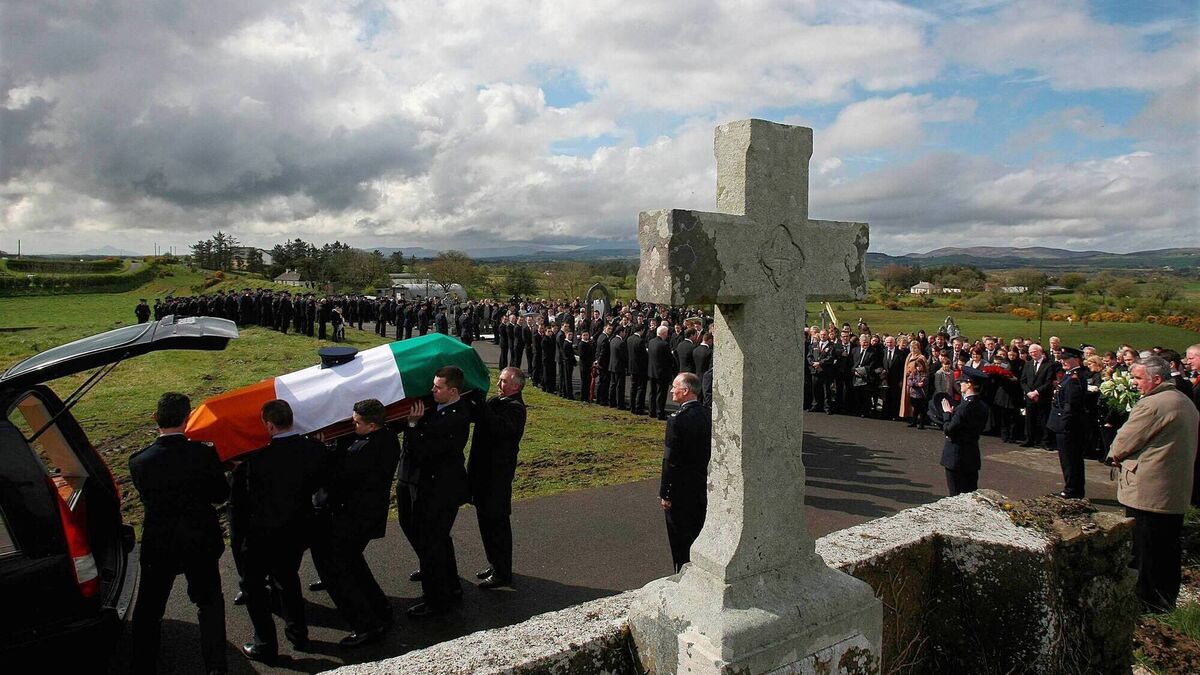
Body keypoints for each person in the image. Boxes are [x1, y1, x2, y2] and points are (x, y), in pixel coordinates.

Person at [129, 393, 228, 675]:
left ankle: (143, 664)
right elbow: (220, 494)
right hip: (200, 540)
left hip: (160, 543)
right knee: (209, 604)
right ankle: (216, 666)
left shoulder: (139, 462)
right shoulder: (204, 454)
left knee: (149, 610)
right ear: (188, 420)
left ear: (155, 418)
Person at [234, 400, 327, 662]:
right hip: (297, 528)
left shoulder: (256, 460)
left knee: (252, 586)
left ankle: (265, 644)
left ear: (269, 425)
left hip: (262, 533)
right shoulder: (313, 450)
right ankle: (298, 634)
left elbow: (242, 500)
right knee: (287, 580)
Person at [1106, 356, 1199, 612]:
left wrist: (1113, 455)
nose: (1134, 383)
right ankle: (1164, 602)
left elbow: (1124, 442)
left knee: (1145, 553)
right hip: (1172, 491)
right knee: (1166, 552)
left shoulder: (1154, 405)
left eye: (1138, 378)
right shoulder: (1184, 401)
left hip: (1149, 491)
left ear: (1156, 379)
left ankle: (1146, 607)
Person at [310, 399, 401, 647]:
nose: (352, 424)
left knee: (337, 573)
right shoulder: (388, 438)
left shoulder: (362, 450)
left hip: (349, 518)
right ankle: (380, 608)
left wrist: (320, 450)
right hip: (364, 517)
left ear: (372, 425)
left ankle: (365, 625)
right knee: (354, 565)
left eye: (357, 422)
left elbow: (336, 476)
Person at [397, 366, 472, 617]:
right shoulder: (437, 406)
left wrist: (412, 424)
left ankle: (437, 601)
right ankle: (447, 581)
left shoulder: (455, 416)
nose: (432, 390)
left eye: (437, 387)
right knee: (431, 537)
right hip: (423, 483)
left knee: (432, 540)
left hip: (439, 489)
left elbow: (423, 449)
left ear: (452, 391)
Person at [468, 367, 528, 590]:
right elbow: (478, 416)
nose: (498, 385)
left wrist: (482, 405)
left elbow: (499, 428)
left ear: (516, 385)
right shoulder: (497, 401)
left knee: (497, 522)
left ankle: (503, 572)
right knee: (485, 521)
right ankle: (494, 563)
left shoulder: (516, 409)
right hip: (482, 472)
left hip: (497, 476)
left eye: (503, 381)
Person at [659, 372, 712, 572]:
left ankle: (682, 574)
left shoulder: (677, 419)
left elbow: (671, 460)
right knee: (698, 533)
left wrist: (666, 492)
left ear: (686, 390)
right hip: (700, 485)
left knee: (679, 540)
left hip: (680, 490)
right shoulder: (708, 414)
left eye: (675, 386)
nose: (672, 390)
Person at [937, 366, 990, 496]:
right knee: (970, 494)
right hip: (971, 456)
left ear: (969, 384)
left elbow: (949, 430)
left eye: (963, 382)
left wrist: (947, 414)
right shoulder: (982, 406)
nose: (960, 384)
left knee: (955, 495)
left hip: (956, 456)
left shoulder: (964, 408)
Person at [1047, 347, 1089, 499]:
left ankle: (1072, 490)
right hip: (1065, 422)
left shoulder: (1074, 378)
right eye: (1062, 358)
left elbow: (1070, 404)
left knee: (1070, 459)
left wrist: (1063, 424)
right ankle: (1073, 487)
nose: (1063, 361)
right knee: (1069, 458)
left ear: (1076, 360)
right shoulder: (1069, 375)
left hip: (1069, 425)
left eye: (1066, 359)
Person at [648, 325, 674, 420]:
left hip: (652, 371)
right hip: (662, 372)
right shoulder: (664, 345)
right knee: (661, 394)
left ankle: (652, 411)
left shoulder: (651, 342)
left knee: (652, 392)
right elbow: (670, 359)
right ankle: (660, 413)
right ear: (664, 334)